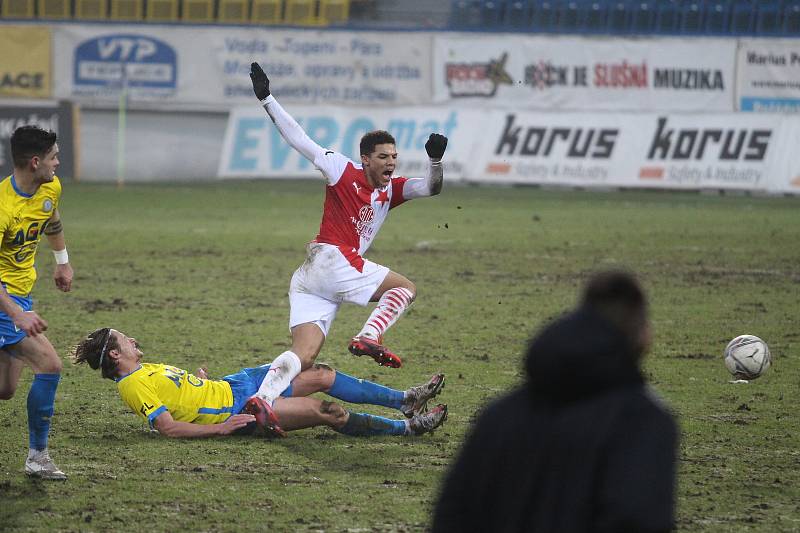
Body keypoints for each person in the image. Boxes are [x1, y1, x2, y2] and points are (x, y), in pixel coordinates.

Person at [245, 62, 449, 409]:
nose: (391, 163)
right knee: (405, 288)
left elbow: (431, 187)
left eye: (395, 157)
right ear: (365, 159)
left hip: (311, 277)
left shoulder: (390, 191)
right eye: (383, 157)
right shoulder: (341, 169)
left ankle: (262, 401)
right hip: (331, 259)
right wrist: (267, 99)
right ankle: (369, 336)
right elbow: (300, 139)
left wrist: (434, 160)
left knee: (304, 355)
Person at [431, 271, 678, 533]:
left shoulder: (499, 414)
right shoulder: (641, 421)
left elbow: (452, 513)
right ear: (639, 333)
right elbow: (637, 519)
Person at [71, 327, 448, 439]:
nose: (134, 339)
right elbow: (167, 427)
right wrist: (221, 429)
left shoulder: (143, 369)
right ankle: (408, 428)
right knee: (326, 412)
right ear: (116, 356)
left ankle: (404, 399)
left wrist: (201, 383)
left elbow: (181, 394)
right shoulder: (131, 385)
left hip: (237, 384)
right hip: (240, 409)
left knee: (322, 374)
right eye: (125, 340)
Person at [0, 126, 73, 480]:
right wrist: (16, 312)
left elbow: (52, 221)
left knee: (5, 389)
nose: (58, 162)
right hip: (4, 301)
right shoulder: (2, 206)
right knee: (50, 364)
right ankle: (38, 457)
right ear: (34, 162)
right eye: (53, 157)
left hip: (20, 296)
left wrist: (62, 262)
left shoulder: (49, 188)